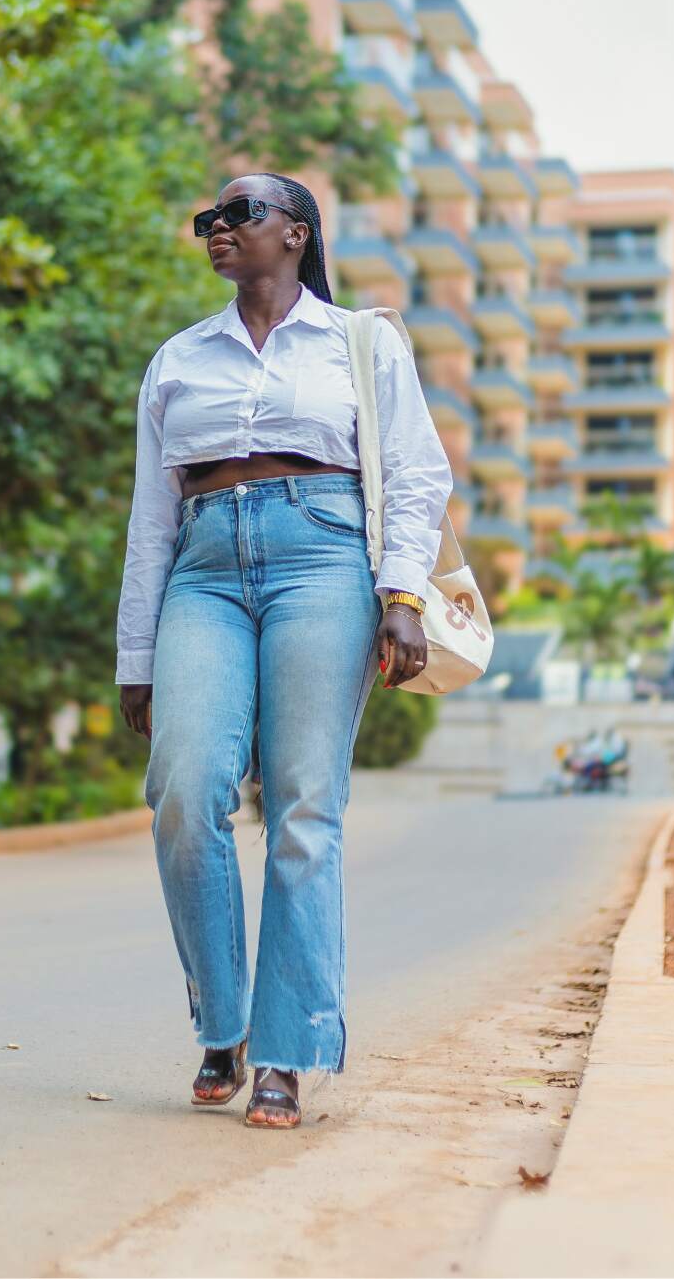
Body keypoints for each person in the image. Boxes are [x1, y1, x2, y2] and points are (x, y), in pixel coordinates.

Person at [116, 172, 453, 1129]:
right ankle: (219, 1025)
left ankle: (285, 1052)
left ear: (295, 233)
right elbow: (150, 517)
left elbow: (419, 477)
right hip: (205, 570)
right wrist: (133, 654)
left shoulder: (362, 342)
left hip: (323, 559)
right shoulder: (178, 359)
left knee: (305, 803)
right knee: (184, 791)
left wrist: (401, 594)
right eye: (207, 220)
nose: (217, 230)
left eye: (239, 215)